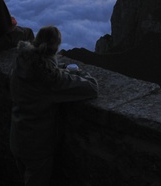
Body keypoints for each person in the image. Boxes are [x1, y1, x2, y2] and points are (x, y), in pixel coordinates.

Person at [10, 25, 98, 186]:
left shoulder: (21, 62)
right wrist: (79, 72)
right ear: (56, 47)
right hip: (37, 145)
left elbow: (42, 67)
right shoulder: (50, 80)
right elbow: (91, 88)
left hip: (16, 136)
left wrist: (58, 68)